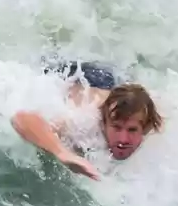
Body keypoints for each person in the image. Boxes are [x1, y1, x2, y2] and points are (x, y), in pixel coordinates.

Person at [10, 60, 164, 181]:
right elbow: (21, 119)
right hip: (81, 77)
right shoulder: (86, 119)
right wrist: (63, 153)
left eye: (132, 130)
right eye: (116, 127)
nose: (123, 139)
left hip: (116, 86)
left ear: (145, 128)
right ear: (104, 124)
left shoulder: (154, 125)